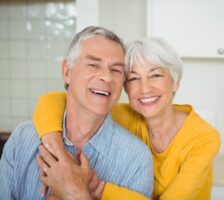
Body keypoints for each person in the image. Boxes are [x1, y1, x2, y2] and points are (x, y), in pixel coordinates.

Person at [33, 37, 221, 199]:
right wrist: (58, 152)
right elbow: (57, 100)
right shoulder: (127, 115)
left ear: (176, 82)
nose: (144, 88)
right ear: (126, 89)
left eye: (155, 75)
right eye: (133, 78)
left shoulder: (204, 138)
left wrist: (93, 187)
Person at [0, 26, 154, 200]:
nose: (107, 77)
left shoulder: (136, 160)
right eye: (94, 65)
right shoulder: (22, 138)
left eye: (116, 70)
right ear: (67, 72)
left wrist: (74, 192)